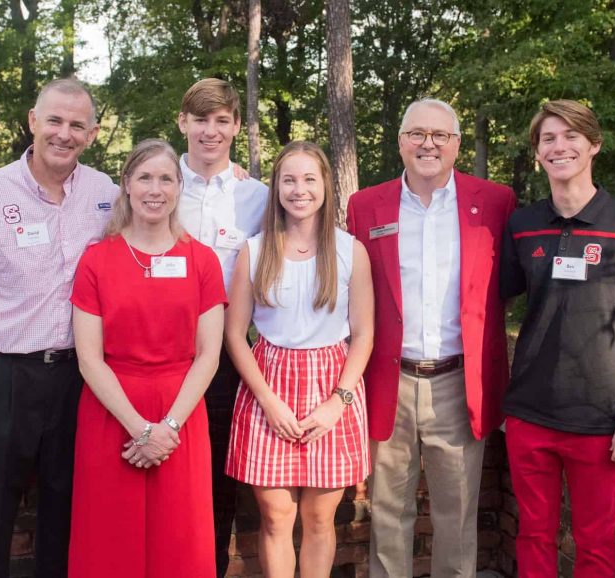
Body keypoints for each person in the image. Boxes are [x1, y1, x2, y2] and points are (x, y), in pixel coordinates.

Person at [0, 78, 114, 578]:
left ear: (92, 134)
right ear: (32, 121)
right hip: (3, 378)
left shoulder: (106, 196)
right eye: (54, 120)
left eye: (77, 125)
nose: (64, 133)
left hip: (78, 379)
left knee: (67, 511)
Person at [500, 100, 615, 577]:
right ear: (538, 153)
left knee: (594, 544)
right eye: (547, 139)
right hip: (527, 415)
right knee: (533, 535)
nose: (559, 147)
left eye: (570, 136)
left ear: (594, 144)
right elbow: (488, 304)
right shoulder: (522, 224)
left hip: (601, 421)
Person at [346, 98, 516, 578]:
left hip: (459, 383)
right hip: (389, 379)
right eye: (417, 133)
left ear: (457, 144)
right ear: (400, 141)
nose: (428, 143)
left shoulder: (496, 202)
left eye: (440, 135)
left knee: (456, 515)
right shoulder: (365, 206)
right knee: (387, 512)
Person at [67, 139, 226, 577]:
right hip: (112, 415)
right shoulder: (96, 261)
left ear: (179, 188)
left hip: (181, 416)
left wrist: (167, 428)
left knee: (181, 541)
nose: (155, 189)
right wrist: (140, 430)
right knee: (108, 541)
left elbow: (209, 354)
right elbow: (89, 357)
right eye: (144, 177)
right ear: (127, 186)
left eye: (166, 179)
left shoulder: (202, 260)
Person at [225, 141, 374, 578]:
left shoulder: (351, 251)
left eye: (309, 179)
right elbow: (235, 334)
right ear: (276, 188)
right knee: (274, 519)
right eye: (288, 179)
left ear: (326, 185)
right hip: (268, 383)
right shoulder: (254, 251)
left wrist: (337, 403)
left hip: (332, 387)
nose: (299, 189)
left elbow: (364, 334)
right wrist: (268, 402)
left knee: (319, 520)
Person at [176, 77, 269, 577]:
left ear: (236, 126)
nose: (210, 131)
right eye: (200, 119)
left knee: (215, 482)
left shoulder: (258, 197)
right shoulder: (156, 184)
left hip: (226, 361)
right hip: (159, 354)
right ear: (182, 123)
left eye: (221, 121)